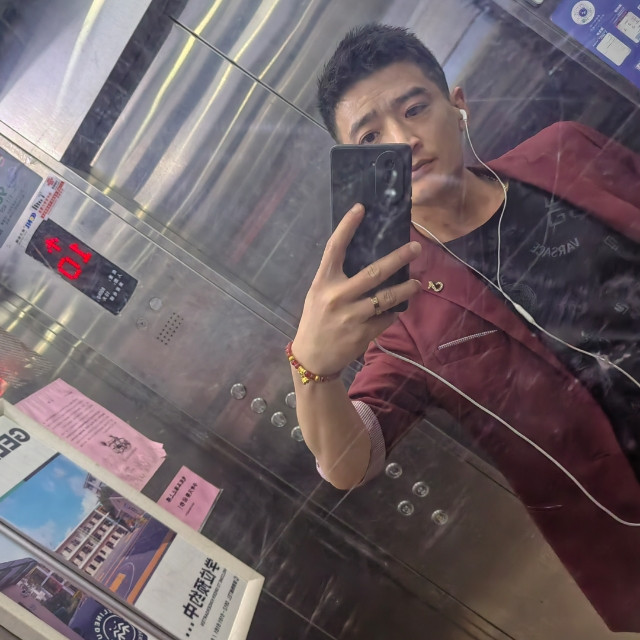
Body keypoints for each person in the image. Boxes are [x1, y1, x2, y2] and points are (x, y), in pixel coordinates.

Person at [287, 23, 640, 632]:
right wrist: (311, 368)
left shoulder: (565, 151)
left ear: (457, 106)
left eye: (415, 109)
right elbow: (352, 462)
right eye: (371, 137)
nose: (404, 141)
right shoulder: (400, 308)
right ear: (358, 166)